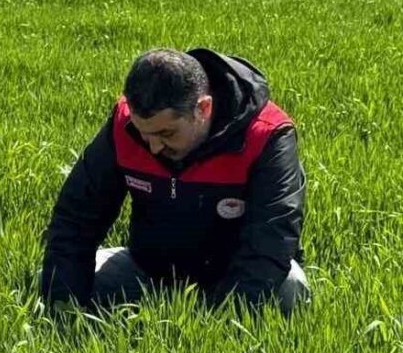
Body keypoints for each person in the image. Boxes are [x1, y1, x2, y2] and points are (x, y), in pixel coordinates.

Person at [41, 49, 309, 314]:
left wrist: (225, 326)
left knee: (289, 290)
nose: (154, 147)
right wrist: (64, 306)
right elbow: (77, 216)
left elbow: (272, 238)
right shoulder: (125, 123)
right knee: (57, 278)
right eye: (144, 134)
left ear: (203, 108)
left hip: (233, 272)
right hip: (148, 269)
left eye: (166, 133)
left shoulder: (266, 134)